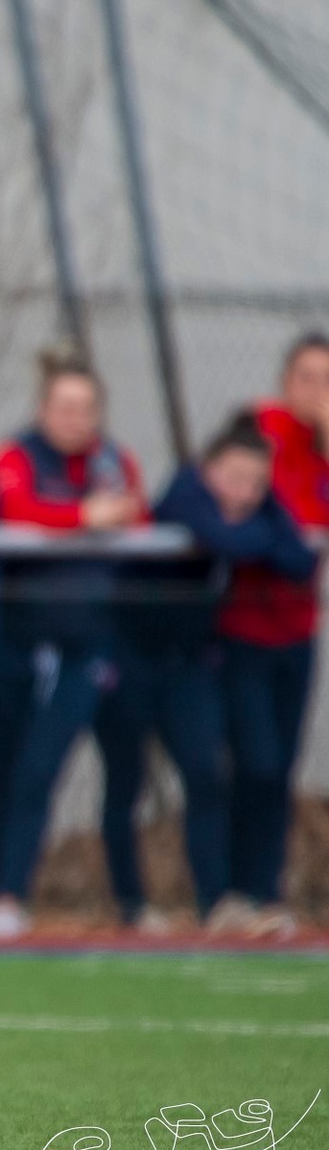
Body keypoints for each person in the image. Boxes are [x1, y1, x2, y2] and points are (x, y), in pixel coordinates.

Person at [103, 413, 315, 933]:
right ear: (208, 469)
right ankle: (131, 903)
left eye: (257, 483)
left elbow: (299, 561)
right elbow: (230, 540)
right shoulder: (185, 492)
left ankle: (219, 903)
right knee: (124, 781)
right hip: (128, 655)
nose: (245, 492)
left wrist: (261, 520)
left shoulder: (257, 505)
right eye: (235, 478)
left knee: (207, 775)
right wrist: (259, 529)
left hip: (188, 663)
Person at [0, 348, 147, 937]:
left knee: (129, 775)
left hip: (108, 640)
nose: (77, 418)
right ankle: (4, 893)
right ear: (44, 407)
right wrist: (83, 518)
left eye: (87, 407)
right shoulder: (16, 454)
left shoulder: (113, 460)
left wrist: (113, 517)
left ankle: (135, 903)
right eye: (65, 406)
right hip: (32, 642)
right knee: (30, 769)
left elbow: (139, 519)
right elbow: (15, 509)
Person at [211, 333, 329, 937]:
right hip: (243, 628)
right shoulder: (264, 428)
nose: (317, 391)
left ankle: (266, 892)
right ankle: (231, 889)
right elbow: (266, 518)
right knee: (252, 760)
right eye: (307, 377)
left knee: (280, 766)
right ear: (287, 380)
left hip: (298, 631)